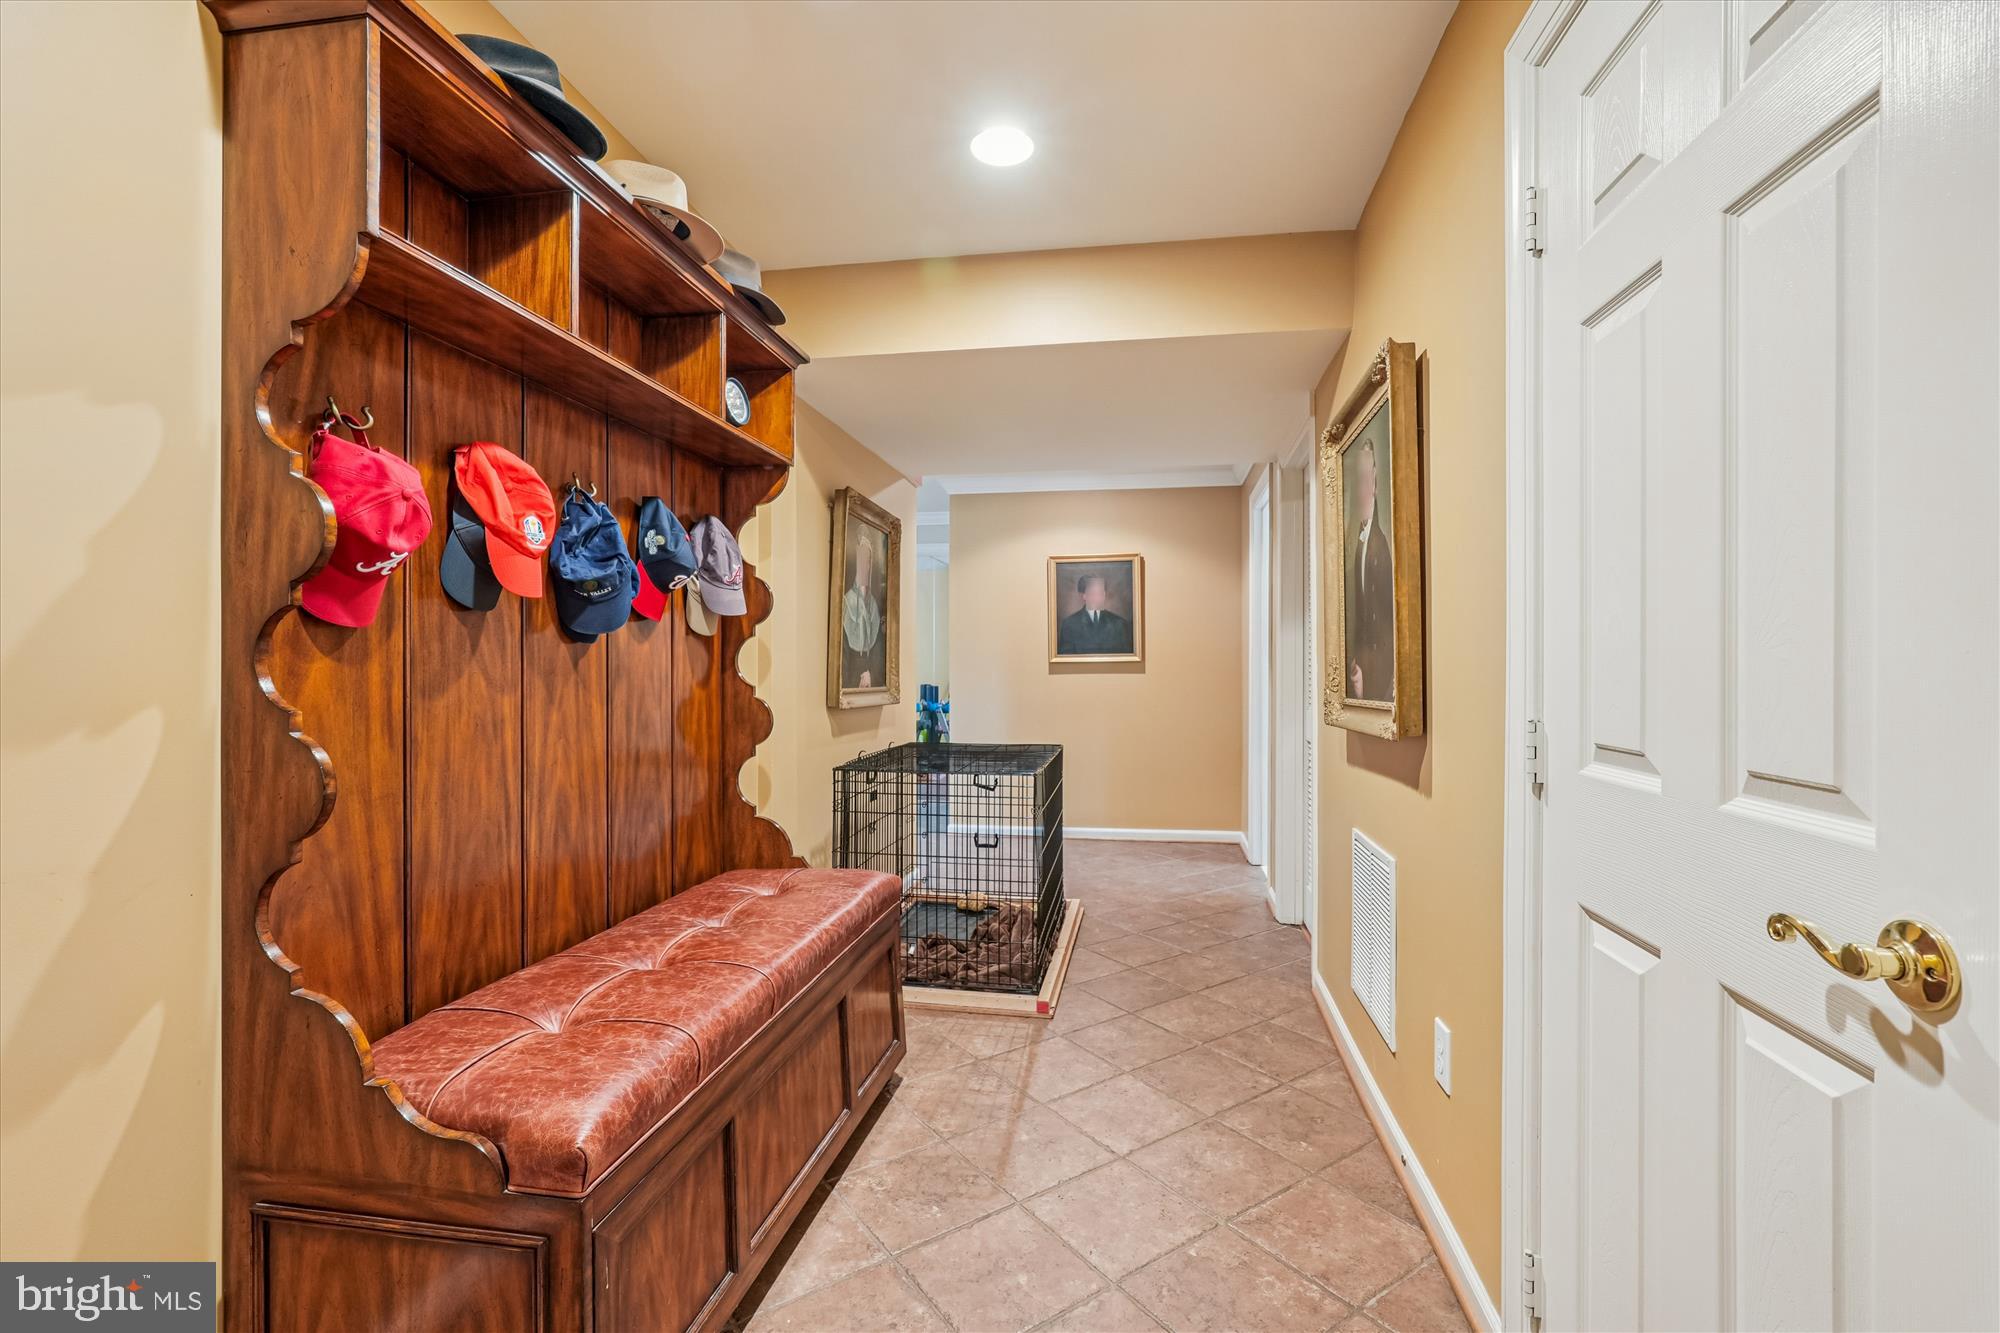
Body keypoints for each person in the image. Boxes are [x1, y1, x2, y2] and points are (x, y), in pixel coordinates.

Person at [1346, 437, 1394, 700]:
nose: (1362, 489)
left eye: (1367, 479)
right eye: (1358, 482)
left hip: (1379, 668)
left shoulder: (1379, 545)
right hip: (1365, 666)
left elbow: (1386, 616)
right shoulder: (1358, 541)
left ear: (1375, 481)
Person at [841, 532, 887, 689]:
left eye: (867, 560)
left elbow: (877, 650)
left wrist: (870, 673)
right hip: (851, 673)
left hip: (869, 674)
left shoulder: (873, 604)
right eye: (860, 559)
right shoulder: (847, 601)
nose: (863, 564)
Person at [1057, 571, 1133, 655]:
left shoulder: (1119, 624)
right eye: (1093, 592)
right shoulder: (1069, 624)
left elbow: (1126, 659)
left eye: (1100, 592)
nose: (1097, 597)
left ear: (1104, 595)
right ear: (1084, 595)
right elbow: (1065, 660)